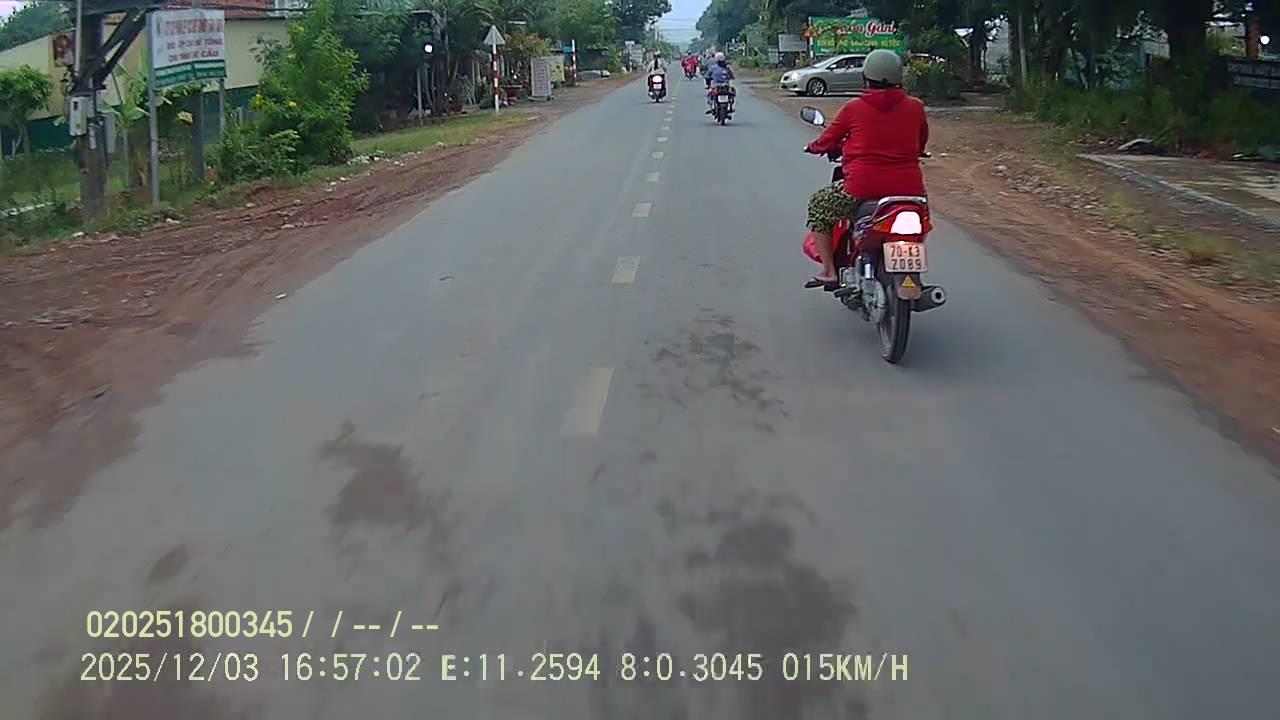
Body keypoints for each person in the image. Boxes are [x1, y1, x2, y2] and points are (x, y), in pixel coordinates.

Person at [802, 49, 928, 287]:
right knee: (920, 217)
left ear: (866, 76)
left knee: (819, 204)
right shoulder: (916, 107)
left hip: (861, 188)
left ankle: (829, 271)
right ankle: (912, 266)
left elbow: (829, 139)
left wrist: (813, 147)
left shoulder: (854, 108)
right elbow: (921, 142)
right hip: (910, 189)